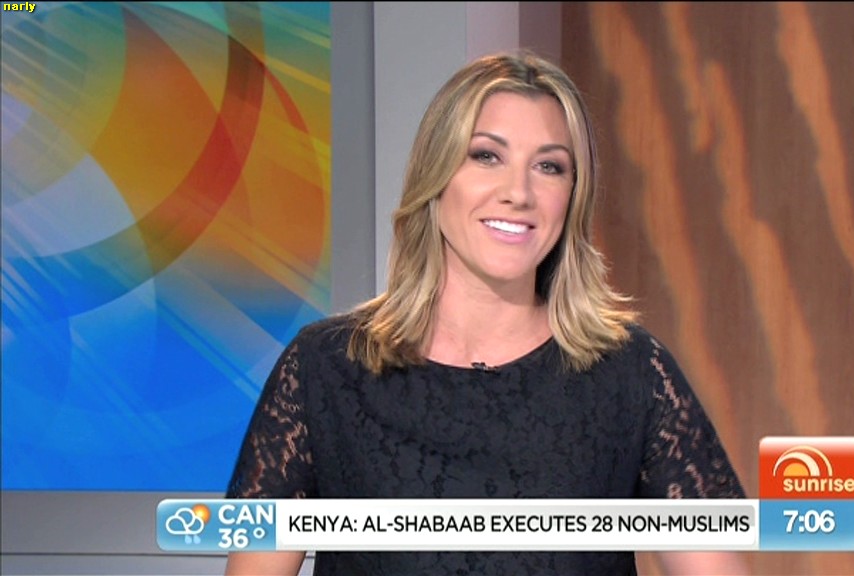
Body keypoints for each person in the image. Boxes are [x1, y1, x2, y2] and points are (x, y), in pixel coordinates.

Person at [225, 50, 747, 576]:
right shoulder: (324, 369)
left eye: (549, 166)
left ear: (573, 195)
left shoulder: (632, 375)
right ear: (436, 175)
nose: (518, 193)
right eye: (486, 156)